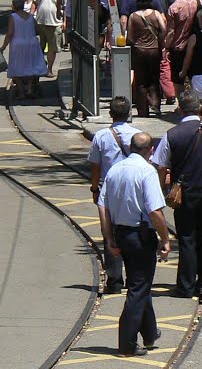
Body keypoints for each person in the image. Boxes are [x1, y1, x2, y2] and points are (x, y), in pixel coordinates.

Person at [151, 91, 202, 299]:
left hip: (184, 193)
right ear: (200, 109)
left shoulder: (172, 134)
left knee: (187, 238)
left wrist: (161, 191)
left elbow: (161, 166)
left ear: (180, 110)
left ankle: (186, 286)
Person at [97, 131, 171, 357]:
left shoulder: (114, 170)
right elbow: (155, 211)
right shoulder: (146, 171)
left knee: (141, 282)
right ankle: (126, 343)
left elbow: (103, 207)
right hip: (140, 236)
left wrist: (109, 238)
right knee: (138, 288)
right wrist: (165, 238)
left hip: (122, 234)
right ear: (150, 151)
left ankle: (149, 334)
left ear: (130, 147)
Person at [87, 96, 140, 294]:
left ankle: (115, 280)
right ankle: (135, 276)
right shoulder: (137, 134)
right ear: (129, 114)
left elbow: (95, 166)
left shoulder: (101, 136)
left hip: (108, 189)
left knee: (109, 232)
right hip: (132, 188)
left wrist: (94, 189)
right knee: (133, 227)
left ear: (110, 114)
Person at [0, 0, 48, 99]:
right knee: (30, 66)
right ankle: (30, 89)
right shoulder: (30, 17)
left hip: (18, 44)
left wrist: (3, 47)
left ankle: (21, 92)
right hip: (31, 43)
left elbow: (10, 33)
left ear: (14, 6)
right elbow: (40, 30)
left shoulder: (13, 17)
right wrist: (42, 43)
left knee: (17, 68)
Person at [127, 0, 166, 117]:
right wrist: (159, 40)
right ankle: (155, 104)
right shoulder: (156, 14)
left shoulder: (133, 16)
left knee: (140, 81)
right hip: (154, 50)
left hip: (139, 51)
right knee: (154, 79)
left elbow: (130, 36)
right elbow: (164, 29)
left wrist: (136, 42)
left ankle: (143, 110)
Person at [161, 0, 200, 105]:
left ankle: (181, 105)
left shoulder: (173, 8)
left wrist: (166, 47)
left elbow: (171, 31)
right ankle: (196, 103)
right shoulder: (197, 1)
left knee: (178, 80)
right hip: (195, 45)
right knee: (194, 76)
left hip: (179, 47)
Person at [32, 0, 65, 77]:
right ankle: (40, 66)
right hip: (40, 23)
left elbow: (66, 8)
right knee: (39, 47)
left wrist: (65, 22)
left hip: (55, 24)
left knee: (52, 49)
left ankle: (49, 69)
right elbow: (34, 2)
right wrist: (30, 16)